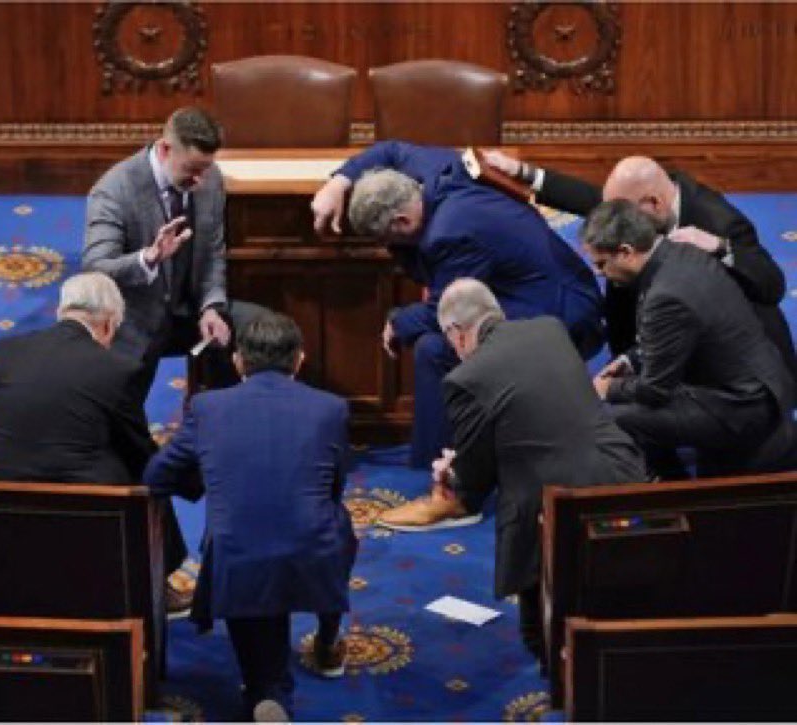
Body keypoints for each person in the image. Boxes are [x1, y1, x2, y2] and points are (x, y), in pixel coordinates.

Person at [311, 141, 605, 476]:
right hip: (538, 282)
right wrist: (339, 181)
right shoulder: (432, 170)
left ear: (403, 221)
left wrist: (397, 322)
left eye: (386, 240)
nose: (388, 249)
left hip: (560, 314)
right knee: (436, 343)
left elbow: (447, 311)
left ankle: (444, 477)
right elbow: (390, 150)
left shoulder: (449, 234)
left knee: (434, 348)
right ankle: (462, 452)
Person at [416, 278, 645, 663]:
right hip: (621, 472)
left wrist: (449, 471)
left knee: (538, 631)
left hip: (552, 507)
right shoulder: (550, 329)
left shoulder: (464, 380)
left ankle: (561, 687)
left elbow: (474, 480)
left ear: (455, 333)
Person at [142, 312, 357, 722]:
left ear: (239, 361)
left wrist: (208, 476)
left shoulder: (207, 407)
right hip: (314, 548)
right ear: (300, 360)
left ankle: (265, 692)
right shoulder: (331, 409)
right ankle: (329, 641)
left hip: (238, 557)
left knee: (251, 559)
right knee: (337, 523)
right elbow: (335, 483)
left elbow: (157, 476)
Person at [0, 272, 192, 614]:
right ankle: (158, 581)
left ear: (62, 310)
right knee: (148, 467)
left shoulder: (7, 351)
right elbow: (138, 450)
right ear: (109, 323)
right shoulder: (118, 367)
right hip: (83, 500)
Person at [483, 150, 796, 382]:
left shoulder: (718, 221)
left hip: (734, 353)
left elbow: (772, 285)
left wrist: (719, 248)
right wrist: (525, 173)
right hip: (670, 312)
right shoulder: (643, 204)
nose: (617, 217)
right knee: (620, 271)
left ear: (654, 204)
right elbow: (595, 201)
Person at [582, 199, 795, 479]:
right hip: (763, 380)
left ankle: (669, 487)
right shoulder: (681, 252)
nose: (599, 273)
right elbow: (677, 332)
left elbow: (655, 391)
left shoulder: (665, 295)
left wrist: (609, 389)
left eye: (601, 264)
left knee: (611, 417)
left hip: (742, 407)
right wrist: (630, 360)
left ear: (625, 252)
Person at [83, 106, 264, 403]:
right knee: (120, 421)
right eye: (191, 170)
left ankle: (220, 427)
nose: (200, 181)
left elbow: (213, 254)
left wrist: (211, 307)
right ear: (165, 149)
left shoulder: (210, 178)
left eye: (205, 169)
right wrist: (148, 258)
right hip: (135, 319)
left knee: (259, 331)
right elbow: (96, 267)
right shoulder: (114, 190)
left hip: (189, 310)